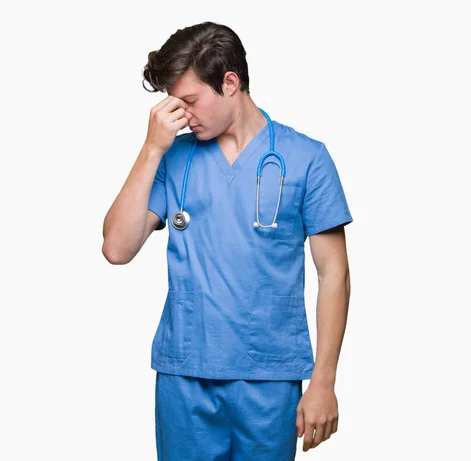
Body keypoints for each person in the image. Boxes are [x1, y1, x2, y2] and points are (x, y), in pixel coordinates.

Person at [102, 21, 353, 460]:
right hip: (185, 379)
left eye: (190, 101)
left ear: (230, 83)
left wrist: (324, 382)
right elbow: (117, 249)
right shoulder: (172, 156)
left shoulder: (306, 159)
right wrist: (151, 148)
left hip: (269, 381)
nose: (181, 115)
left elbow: (334, 274)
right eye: (174, 104)